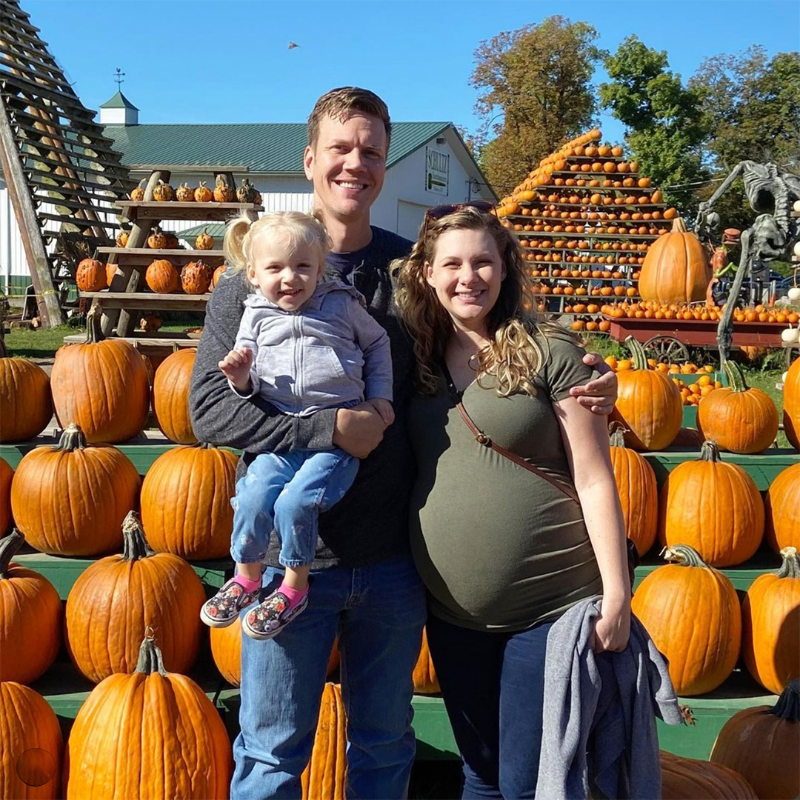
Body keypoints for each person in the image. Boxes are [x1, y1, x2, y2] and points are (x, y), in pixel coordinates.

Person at [189, 87, 619, 800]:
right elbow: (209, 411)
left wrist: (594, 386)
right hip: (294, 566)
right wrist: (328, 429)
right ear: (310, 160)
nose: (355, 163)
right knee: (269, 757)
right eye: (340, 148)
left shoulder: (405, 274)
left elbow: (489, 352)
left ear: (385, 165)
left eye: (371, 152)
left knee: (384, 750)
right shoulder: (253, 281)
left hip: (393, 565)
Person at [394, 205, 632, 800]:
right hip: (453, 617)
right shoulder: (411, 359)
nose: (467, 277)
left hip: (547, 610)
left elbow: (595, 476)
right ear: (427, 272)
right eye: (451, 263)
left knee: (528, 781)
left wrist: (618, 595)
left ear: (505, 270)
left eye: (482, 261)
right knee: (480, 775)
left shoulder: (549, 352)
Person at [199, 211, 394, 640]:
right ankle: (246, 577)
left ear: (320, 268)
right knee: (251, 494)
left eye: (303, 266)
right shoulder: (253, 313)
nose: (291, 278)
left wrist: (381, 398)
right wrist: (241, 380)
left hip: (335, 444)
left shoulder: (342, 304)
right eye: (275, 268)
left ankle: (293, 587)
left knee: (295, 504)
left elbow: (379, 344)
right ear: (253, 274)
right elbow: (236, 393)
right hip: (283, 439)